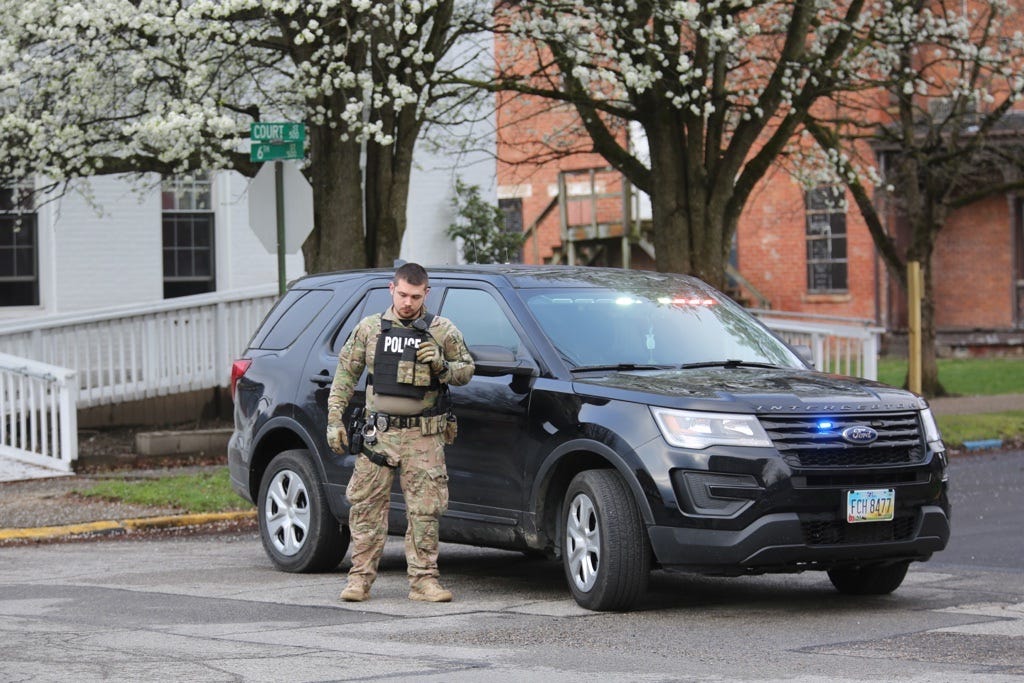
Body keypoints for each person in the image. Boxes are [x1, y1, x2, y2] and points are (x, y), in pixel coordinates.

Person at [326, 262, 475, 603]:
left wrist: (441, 365)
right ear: (391, 289)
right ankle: (359, 579)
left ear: (427, 294)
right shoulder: (369, 329)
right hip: (379, 435)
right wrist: (334, 420)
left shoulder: (441, 330)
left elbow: (466, 370)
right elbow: (345, 375)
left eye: (416, 296)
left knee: (425, 511)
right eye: (403, 294)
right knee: (366, 507)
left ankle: (424, 581)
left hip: (423, 436)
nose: (408, 302)